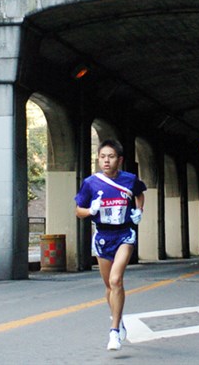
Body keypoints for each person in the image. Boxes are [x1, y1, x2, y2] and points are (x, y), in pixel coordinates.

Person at [75, 139, 146, 351]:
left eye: (111, 157)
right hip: (102, 237)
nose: (106, 161)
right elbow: (78, 210)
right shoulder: (90, 183)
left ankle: (113, 331)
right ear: (98, 159)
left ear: (120, 160)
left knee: (116, 280)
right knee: (109, 286)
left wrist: (139, 210)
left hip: (124, 235)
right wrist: (91, 211)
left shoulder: (129, 179)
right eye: (103, 157)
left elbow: (140, 193)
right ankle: (119, 319)